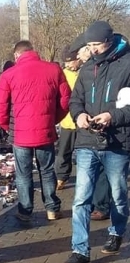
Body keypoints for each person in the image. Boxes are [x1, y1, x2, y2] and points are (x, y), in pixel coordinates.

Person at [64, 21, 130, 263]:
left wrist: (112, 116)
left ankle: (116, 232)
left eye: (96, 45)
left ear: (109, 41)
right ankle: (80, 250)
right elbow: (75, 100)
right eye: (88, 45)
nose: (91, 50)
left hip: (117, 142)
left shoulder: (127, 64)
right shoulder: (87, 67)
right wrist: (79, 115)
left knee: (118, 194)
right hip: (87, 141)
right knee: (81, 198)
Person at [0, 40, 71, 222]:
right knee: (47, 170)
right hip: (45, 132)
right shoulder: (54, 70)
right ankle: (52, 208)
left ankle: (25, 211)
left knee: (23, 173)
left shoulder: (9, 74)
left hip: (20, 134)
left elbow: (0, 106)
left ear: (16, 55)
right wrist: (52, 120)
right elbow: (65, 100)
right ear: (33, 52)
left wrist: (7, 126)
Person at [55, 36, 91, 190]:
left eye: (71, 60)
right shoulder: (62, 74)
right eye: (67, 61)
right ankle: (62, 177)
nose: (70, 64)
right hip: (68, 120)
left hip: (85, 119)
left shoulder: (86, 71)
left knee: (86, 152)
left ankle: (89, 177)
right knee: (64, 151)